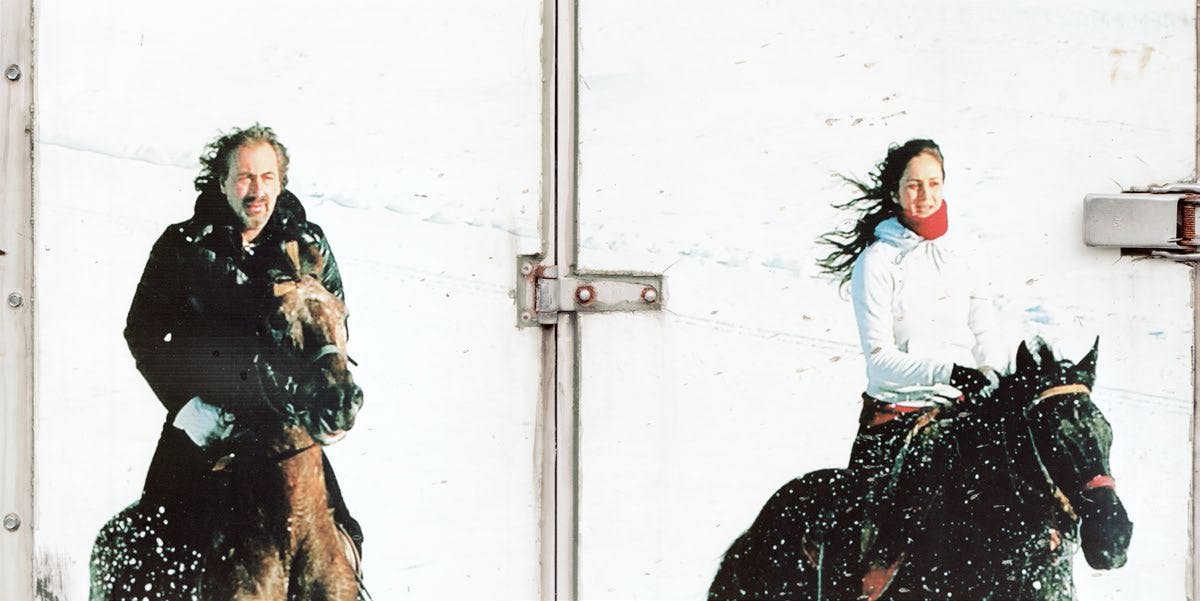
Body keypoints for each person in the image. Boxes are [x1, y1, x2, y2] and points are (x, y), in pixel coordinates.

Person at [124, 124, 363, 563]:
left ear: (281, 182)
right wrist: (187, 409)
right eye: (245, 177)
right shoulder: (183, 246)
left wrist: (330, 398)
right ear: (221, 182)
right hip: (207, 423)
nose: (257, 190)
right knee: (153, 549)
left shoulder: (308, 244)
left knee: (341, 547)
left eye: (267, 177)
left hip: (287, 425)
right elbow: (142, 332)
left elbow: (333, 324)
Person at [817, 139, 1006, 599]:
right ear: (895, 191)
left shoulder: (966, 253)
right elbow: (880, 361)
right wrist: (949, 373)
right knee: (866, 554)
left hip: (964, 411)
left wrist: (992, 376)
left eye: (934, 184)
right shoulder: (877, 262)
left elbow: (986, 333)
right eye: (914, 185)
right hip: (897, 416)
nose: (925, 195)